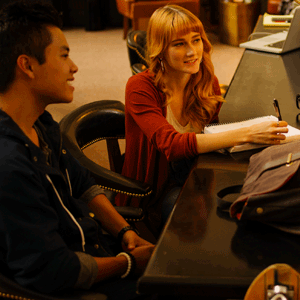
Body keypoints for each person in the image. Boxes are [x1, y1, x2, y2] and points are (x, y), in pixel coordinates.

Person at [0, 1, 154, 299]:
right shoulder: (9, 166)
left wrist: (125, 232)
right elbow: (55, 271)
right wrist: (128, 263)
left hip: (96, 247)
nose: (74, 67)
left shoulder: (41, 123)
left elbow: (81, 182)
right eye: (64, 55)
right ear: (27, 65)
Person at [116, 5, 288, 227]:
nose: (192, 52)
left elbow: (213, 130)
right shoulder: (140, 87)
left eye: (196, 40)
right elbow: (171, 145)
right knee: (202, 224)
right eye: (179, 44)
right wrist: (247, 133)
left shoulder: (205, 80)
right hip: (157, 187)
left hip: (197, 168)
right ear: (160, 49)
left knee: (259, 195)